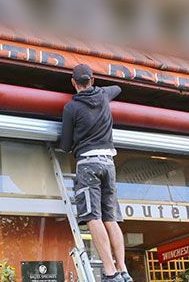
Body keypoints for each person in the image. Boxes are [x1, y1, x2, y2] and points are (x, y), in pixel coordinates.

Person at [58, 64, 131, 282]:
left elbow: (65, 145)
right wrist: (100, 90)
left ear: (73, 82)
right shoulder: (104, 95)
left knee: (93, 217)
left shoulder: (71, 108)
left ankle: (109, 272)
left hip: (88, 164)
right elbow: (118, 88)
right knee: (110, 218)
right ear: (92, 79)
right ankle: (122, 270)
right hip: (109, 163)